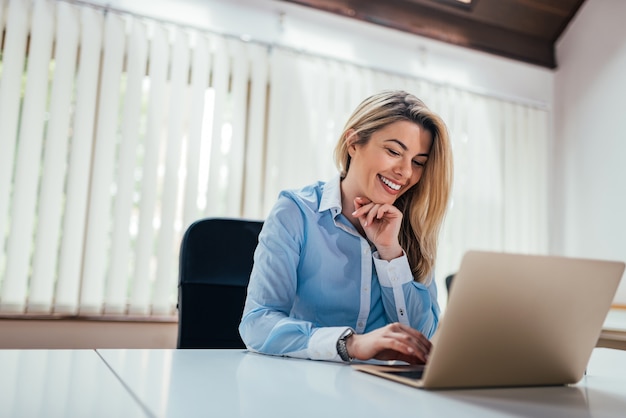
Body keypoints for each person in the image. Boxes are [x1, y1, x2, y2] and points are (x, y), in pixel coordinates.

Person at [239, 90, 453, 364]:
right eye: (394, 151)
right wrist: (350, 344)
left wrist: (390, 252)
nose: (406, 172)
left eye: (418, 162)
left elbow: (419, 338)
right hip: (304, 385)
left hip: (384, 392)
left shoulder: (412, 229)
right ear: (353, 143)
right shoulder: (296, 212)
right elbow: (257, 324)